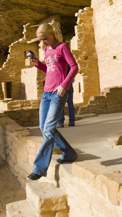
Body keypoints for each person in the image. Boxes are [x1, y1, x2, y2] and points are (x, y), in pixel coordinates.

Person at [26, 23, 79, 181]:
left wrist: (65, 85)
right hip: (46, 93)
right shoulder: (47, 49)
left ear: (52, 34)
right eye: (40, 41)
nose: (43, 43)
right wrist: (37, 63)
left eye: (44, 39)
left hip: (58, 93)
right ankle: (69, 153)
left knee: (48, 129)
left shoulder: (62, 47)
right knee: (44, 128)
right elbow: (48, 69)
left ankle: (39, 168)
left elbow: (74, 67)